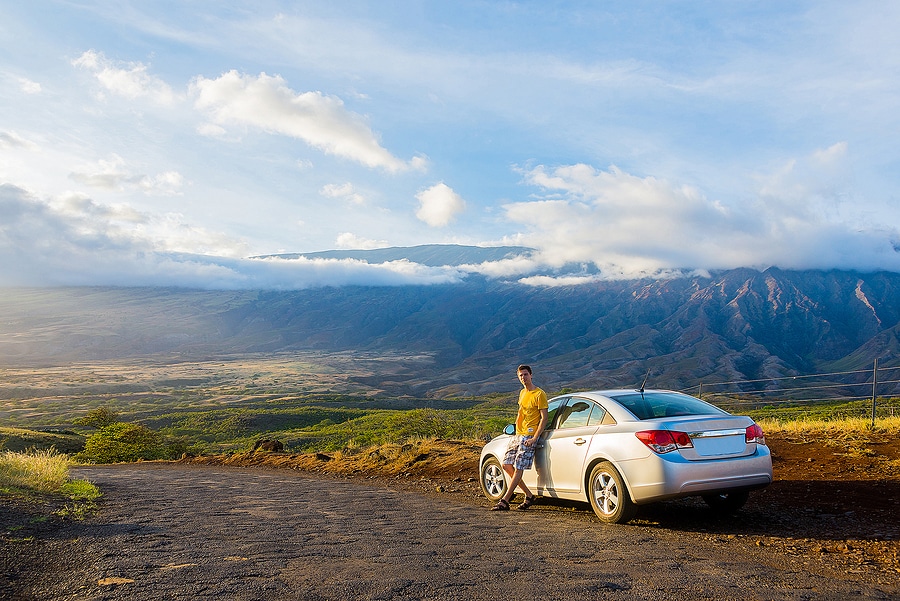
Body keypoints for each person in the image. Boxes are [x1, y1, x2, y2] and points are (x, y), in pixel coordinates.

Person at [491, 364, 549, 511]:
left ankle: (505, 500)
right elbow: (520, 412)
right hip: (519, 435)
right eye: (521, 375)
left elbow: (544, 418)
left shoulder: (539, 394)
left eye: (525, 374)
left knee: (518, 468)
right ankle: (529, 495)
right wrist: (516, 430)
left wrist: (535, 438)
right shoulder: (522, 393)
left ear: (531, 375)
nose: (523, 377)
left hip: (529, 436)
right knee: (506, 465)